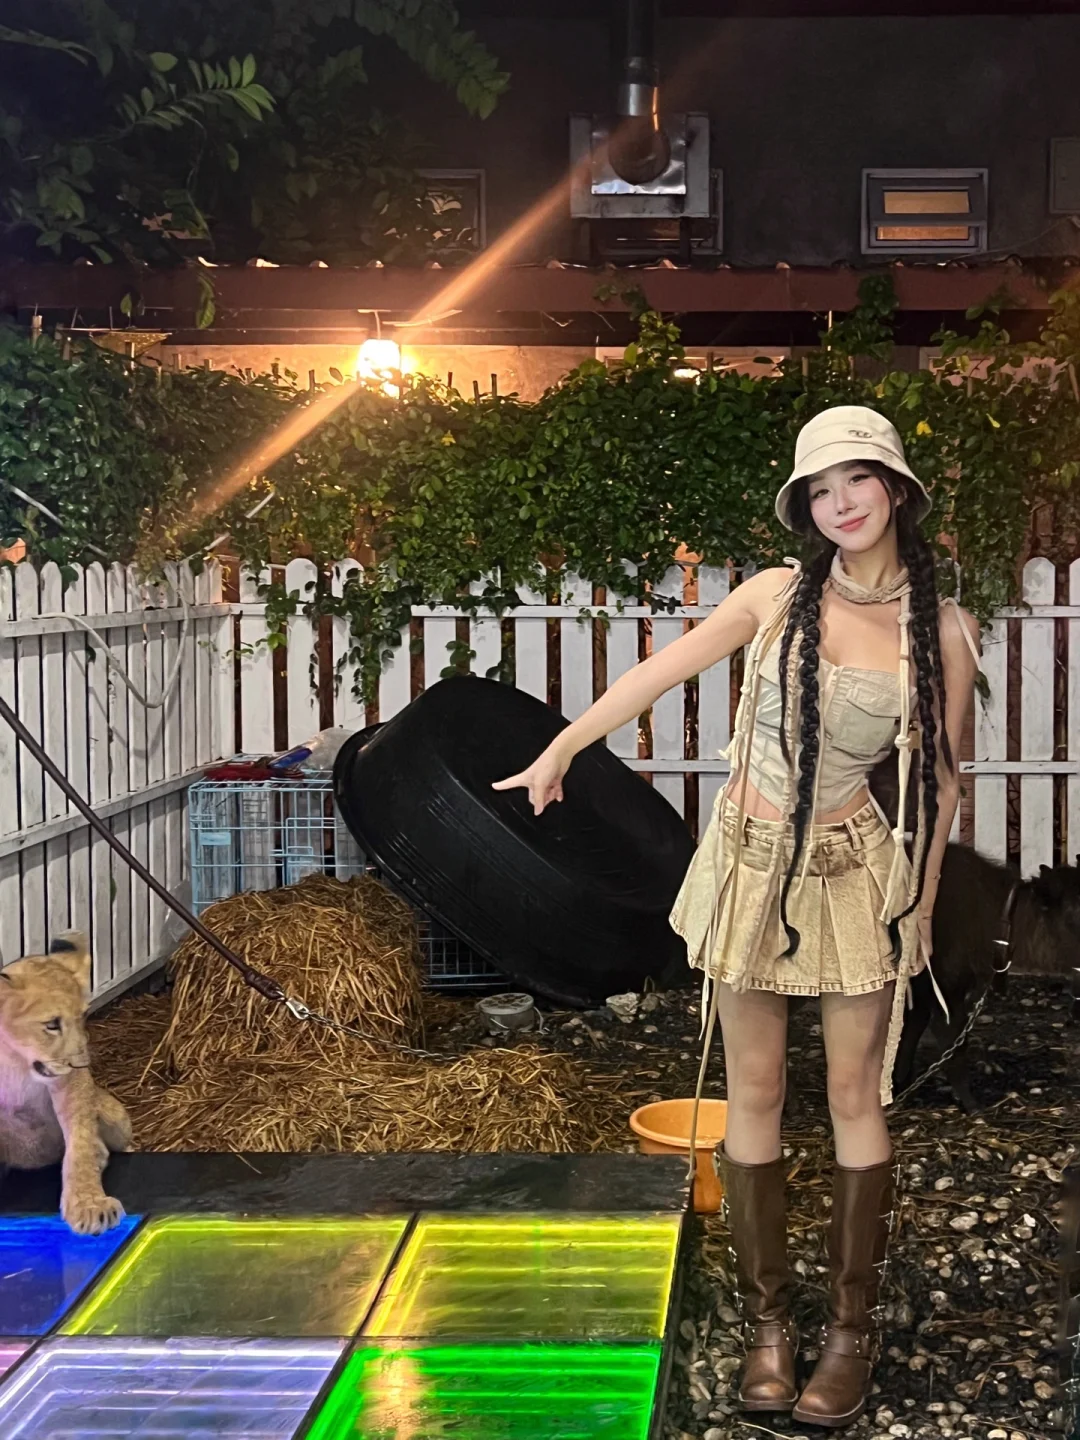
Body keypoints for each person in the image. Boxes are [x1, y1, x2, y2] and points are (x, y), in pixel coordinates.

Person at [493, 405, 981, 1428]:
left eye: (857, 480)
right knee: (751, 1088)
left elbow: (941, 785)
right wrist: (562, 748)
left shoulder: (938, 633)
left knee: (854, 1094)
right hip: (747, 869)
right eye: (820, 490)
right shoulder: (774, 594)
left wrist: (923, 904)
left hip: (853, 876)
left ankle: (848, 1333)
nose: (840, 503)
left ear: (895, 489)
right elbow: (654, 674)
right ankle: (770, 1326)